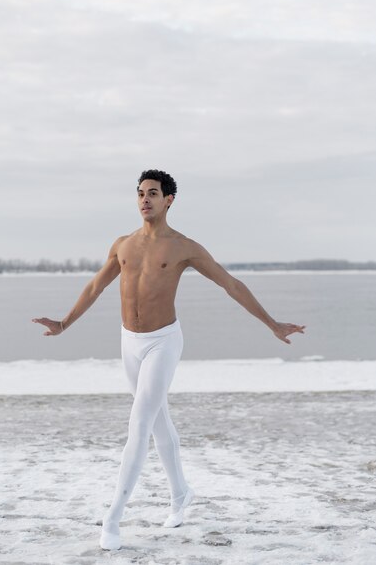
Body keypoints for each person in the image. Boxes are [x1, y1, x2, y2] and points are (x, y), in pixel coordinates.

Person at [32, 168, 306, 551]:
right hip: (130, 342)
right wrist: (64, 323)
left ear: (169, 201)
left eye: (153, 193)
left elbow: (231, 284)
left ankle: (113, 518)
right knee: (159, 423)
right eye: (141, 193)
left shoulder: (184, 247)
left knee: (140, 422)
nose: (145, 199)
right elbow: (96, 285)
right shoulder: (123, 245)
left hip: (163, 341)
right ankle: (181, 495)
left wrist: (272, 324)